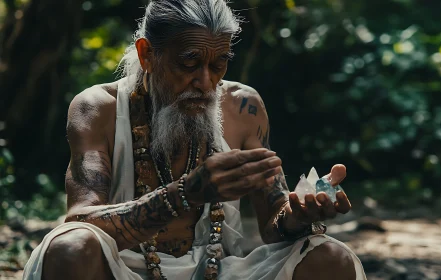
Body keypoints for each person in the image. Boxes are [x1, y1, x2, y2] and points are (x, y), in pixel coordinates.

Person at [23, 0, 366, 279]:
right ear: (147, 54)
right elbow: (81, 221)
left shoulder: (245, 107)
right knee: (71, 248)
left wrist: (299, 214)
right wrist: (187, 193)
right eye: (189, 63)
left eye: (219, 64)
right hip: (120, 270)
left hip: (220, 272)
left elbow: (274, 226)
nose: (206, 82)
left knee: (331, 257)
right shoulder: (98, 108)